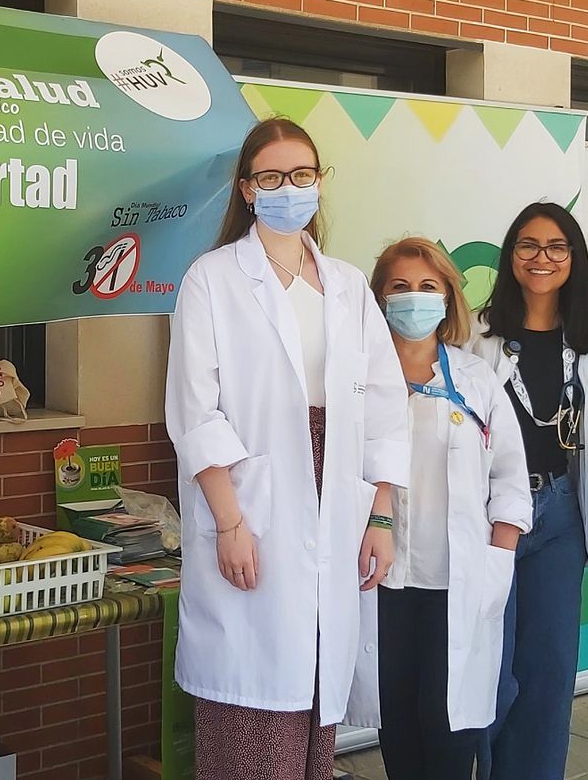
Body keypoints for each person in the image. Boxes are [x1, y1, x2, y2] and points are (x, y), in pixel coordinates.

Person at [165, 117, 408, 780]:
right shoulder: (211, 279)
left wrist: (380, 514)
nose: (288, 188)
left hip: (338, 499)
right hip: (249, 503)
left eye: (302, 174)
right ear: (247, 189)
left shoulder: (349, 286)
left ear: (319, 182)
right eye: (270, 177)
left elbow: (385, 409)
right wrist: (230, 521)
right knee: (252, 706)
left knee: (314, 701)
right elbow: (195, 411)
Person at [367, 237, 531, 780]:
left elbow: (509, 475)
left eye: (427, 287)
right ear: (379, 298)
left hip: (457, 581)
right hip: (382, 581)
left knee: (448, 728)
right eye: (400, 287)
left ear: (447, 298)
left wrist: (498, 554)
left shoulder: (476, 379)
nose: (414, 298)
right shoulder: (358, 379)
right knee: (397, 723)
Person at [472, 203, 588, 780]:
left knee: (550, 670)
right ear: (510, 257)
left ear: (574, 258)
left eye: (557, 247)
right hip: (492, 517)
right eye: (528, 245)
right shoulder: (477, 338)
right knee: (492, 676)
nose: (542, 258)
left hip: (560, 515)